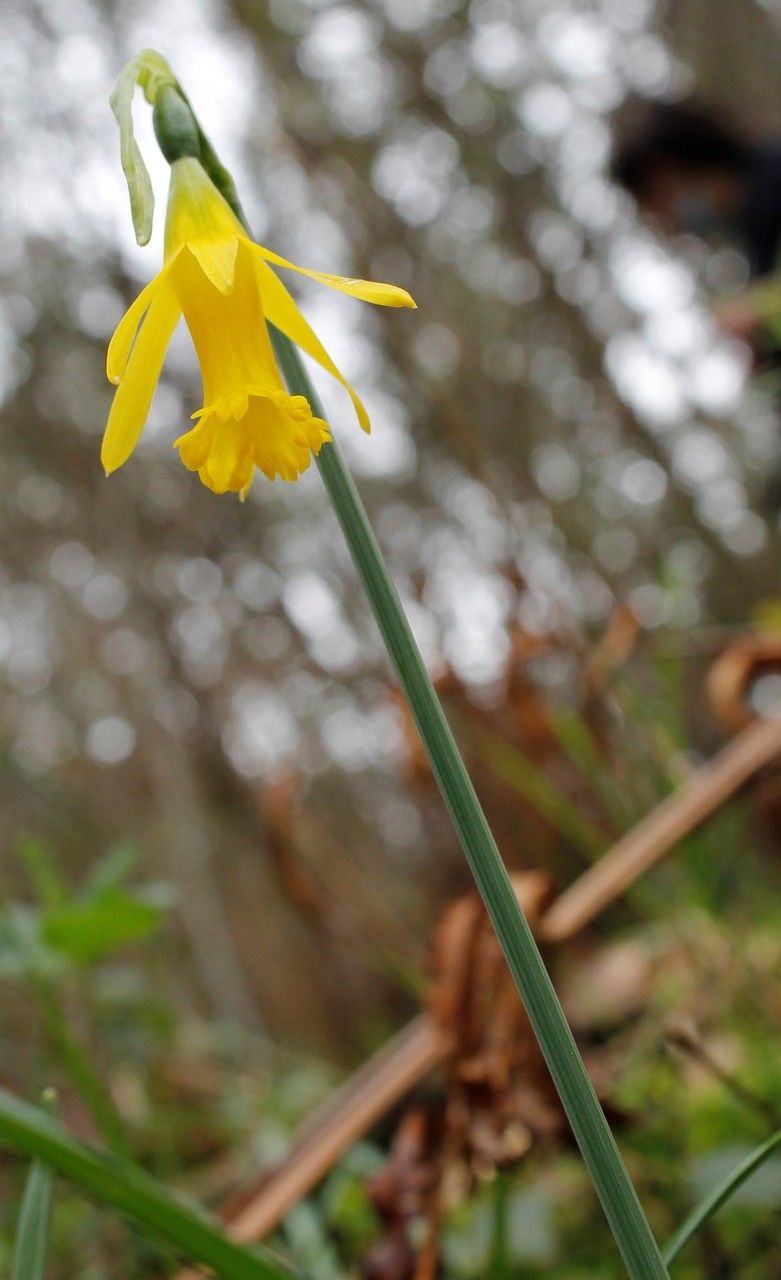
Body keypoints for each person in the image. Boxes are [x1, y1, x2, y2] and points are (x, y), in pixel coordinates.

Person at [612, 102, 781, 345]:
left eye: (661, 197)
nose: (667, 220)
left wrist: (760, 310)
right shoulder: (757, 238)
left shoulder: (774, 177)